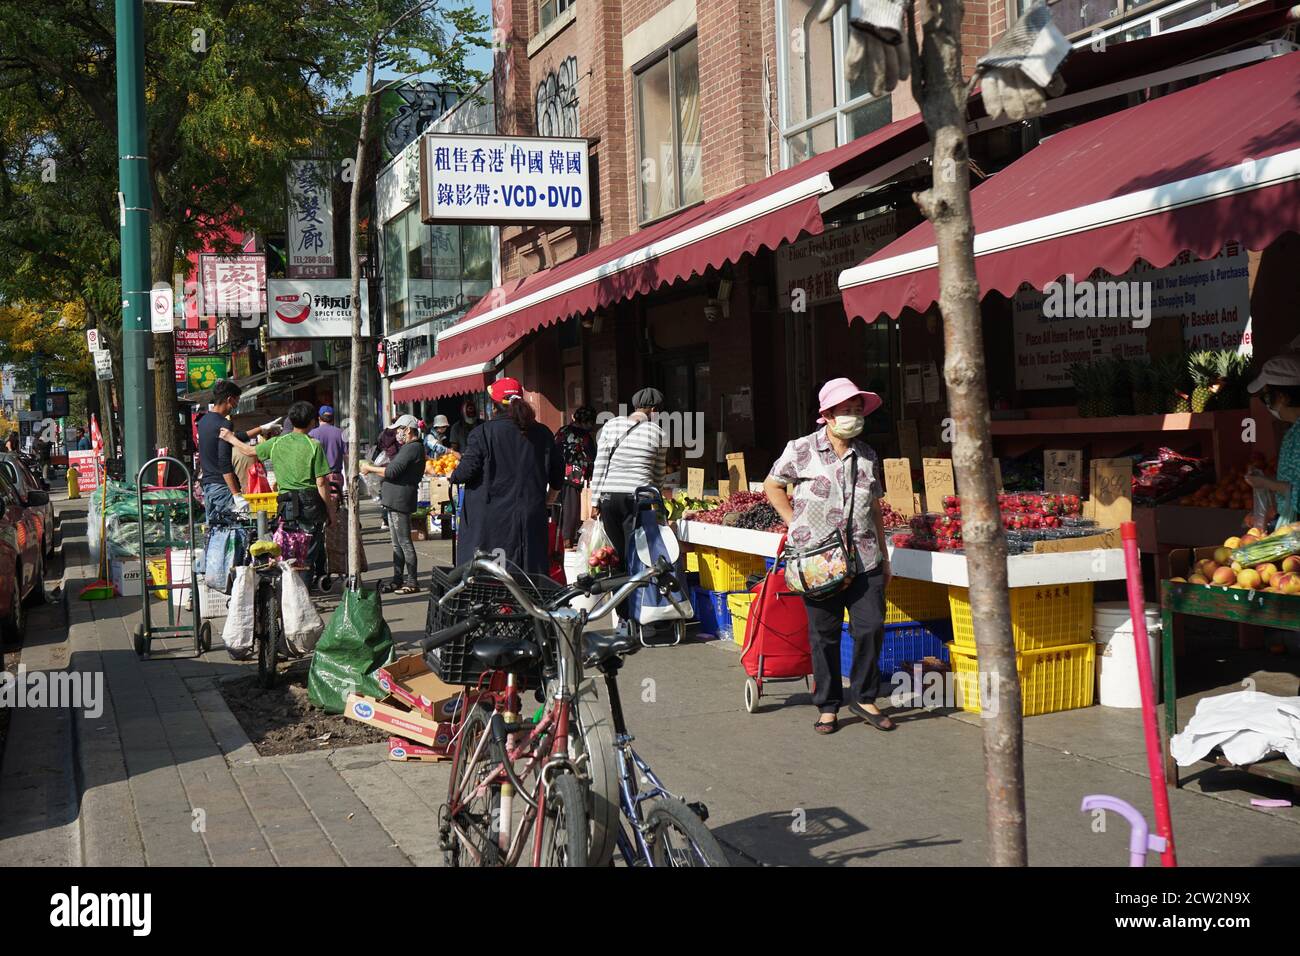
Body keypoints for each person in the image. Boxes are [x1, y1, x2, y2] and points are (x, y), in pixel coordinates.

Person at [763, 377, 894, 736]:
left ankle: (865, 696)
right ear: (827, 415)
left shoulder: (867, 455)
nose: (853, 416)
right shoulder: (800, 449)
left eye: (857, 410)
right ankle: (828, 704)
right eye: (846, 410)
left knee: (870, 626)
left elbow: (875, 509)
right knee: (825, 633)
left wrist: (884, 556)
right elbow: (772, 484)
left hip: (864, 557)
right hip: (817, 561)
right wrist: (794, 524)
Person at [222, 401, 337, 590]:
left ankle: (287, 595)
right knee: (307, 556)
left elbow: (249, 451)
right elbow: (321, 483)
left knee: (288, 551)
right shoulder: (314, 445)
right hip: (311, 505)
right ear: (311, 423)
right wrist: (330, 512)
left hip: (287, 505)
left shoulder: (277, 442)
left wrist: (230, 438)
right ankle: (303, 596)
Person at [449, 378, 560, 574]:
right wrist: (547, 501)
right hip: (530, 518)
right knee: (529, 578)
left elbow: (465, 472)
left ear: (494, 405)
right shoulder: (542, 433)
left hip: (491, 522)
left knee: (492, 580)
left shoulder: (483, 433)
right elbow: (558, 475)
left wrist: (453, 475)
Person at [589, 387, 668, 586]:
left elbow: (601, 464)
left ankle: (621, 611)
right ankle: (636, 608)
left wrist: (595, 500)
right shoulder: (658, 433)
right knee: (636, 555)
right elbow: (658, 476)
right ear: (655, 410)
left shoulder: (611, 425)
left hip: (609, 498)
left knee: (614, 556)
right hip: (637, 499)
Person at [360, 414, 426, 594]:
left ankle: (412, 581)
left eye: (400, 429)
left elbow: (392, 471)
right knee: (397, 544)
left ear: (409, 430)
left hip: (400, 500)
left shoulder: (412, 448)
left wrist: (370, 468)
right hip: (394, 499)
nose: (398, 433)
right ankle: (398, 579)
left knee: (404, 542)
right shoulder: (408, 448)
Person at [197, 379, 276, 524]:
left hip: (208, 488)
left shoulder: (204, 422)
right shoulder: (224, 423)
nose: (236, 405)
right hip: (223, 487)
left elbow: (233, 438)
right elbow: (224, 462)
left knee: (215, 534)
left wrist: (261, 429)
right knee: (234, 534)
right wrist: (236, 495)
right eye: (237, 400)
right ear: (229, 399)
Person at [1245, 351, 1300, 528]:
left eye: (1267, 397)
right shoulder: (1293, 432)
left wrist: (1266, 483)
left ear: (1283, 398)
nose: (1267, 404)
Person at [554, 405, 597, 549]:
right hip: (574, 476)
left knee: (557, 509)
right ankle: (567, 541)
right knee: (571, 509)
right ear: (587, 421)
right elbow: (592, 457)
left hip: (556, 474)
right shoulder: (585, 437)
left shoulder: (562, 431)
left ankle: (556, 539)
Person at [309, 405, 348, 476]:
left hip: (318, 477)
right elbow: (347, 456)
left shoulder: (311, 434)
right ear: (333, 419)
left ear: (319, 418)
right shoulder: (341, 433)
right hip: (335, 476)